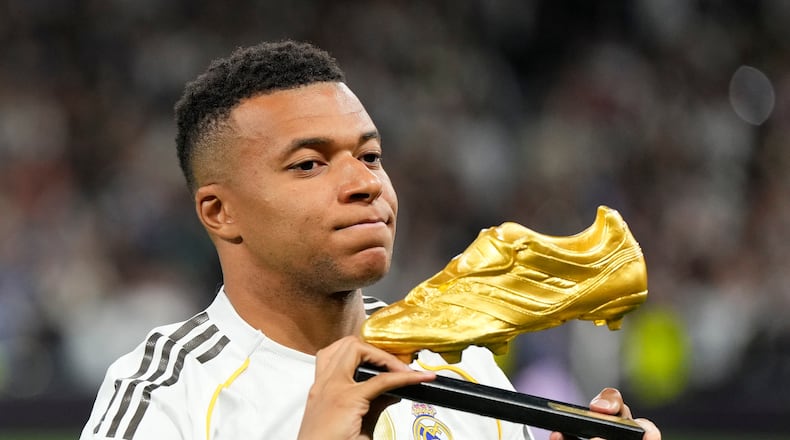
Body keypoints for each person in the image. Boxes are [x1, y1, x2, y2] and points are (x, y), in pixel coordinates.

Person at [80, 40, 660, 440]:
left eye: (371, 155)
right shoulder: (165, 394)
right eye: (309, 164)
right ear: (219, 211)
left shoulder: (462, 368)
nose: (364, 183)